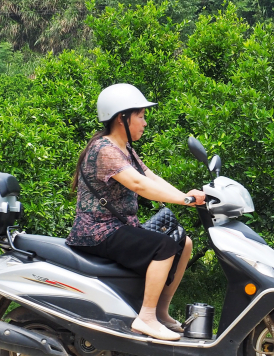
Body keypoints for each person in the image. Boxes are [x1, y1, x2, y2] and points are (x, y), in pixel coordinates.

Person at [65, 83, 205, 341]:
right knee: (163, 246)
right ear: (122, 118)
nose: (144, 122)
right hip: (98, 231)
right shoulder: (105, 151)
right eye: (140, 116)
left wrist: (188, 195)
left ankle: (160, 313)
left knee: (183, 242)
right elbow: (140, 185)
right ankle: (146, 317)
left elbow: (151, 177)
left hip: (117, 228)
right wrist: (184, 200)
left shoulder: (124, 149)